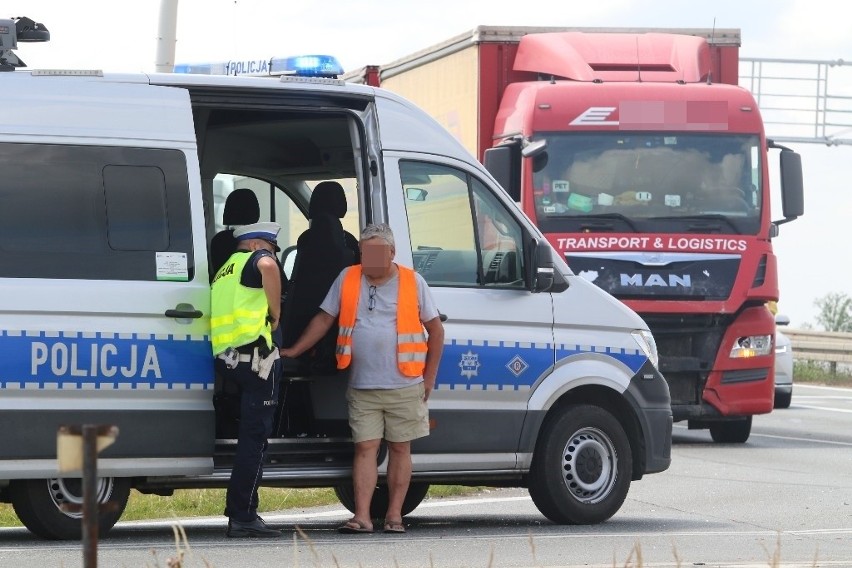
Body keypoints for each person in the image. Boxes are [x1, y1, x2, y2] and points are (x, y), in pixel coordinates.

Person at [279, 223, 444, 534]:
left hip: (405, 383)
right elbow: (325, 318)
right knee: (365, 449)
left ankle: (395, 515)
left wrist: (429, 379)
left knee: (399, 449)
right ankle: (363, 517)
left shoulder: (413, 281)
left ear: (392, 253)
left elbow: (436, 331)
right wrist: (294, 349)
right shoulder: (348, 277)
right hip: (362, 385)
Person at [210, 221, 284, 538]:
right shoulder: (258, 260)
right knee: (254, 440)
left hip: (229, 361)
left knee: (248, 436)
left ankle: (241, 510)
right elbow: (267, 264)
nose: (272, 256)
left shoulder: (225, 268)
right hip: (256, 361)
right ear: (255, 245)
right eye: (269, 247)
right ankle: (243, 515)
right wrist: (277, 311)